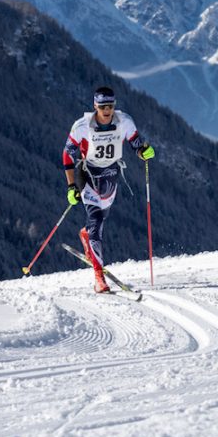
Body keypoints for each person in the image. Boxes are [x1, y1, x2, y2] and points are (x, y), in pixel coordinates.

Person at [62, 86, 155, 293]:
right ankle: (98, 277)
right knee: (96, 222)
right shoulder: (82, 126)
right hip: (87, 175)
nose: (106, 110)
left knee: (100, 220)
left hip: (110, 177)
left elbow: (137, 144)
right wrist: (71, 186)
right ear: (95, 105)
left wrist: (145, 151)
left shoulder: (124, 122)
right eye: (102, 106)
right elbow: (67, 154)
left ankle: (86, 235)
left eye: (110, 106)